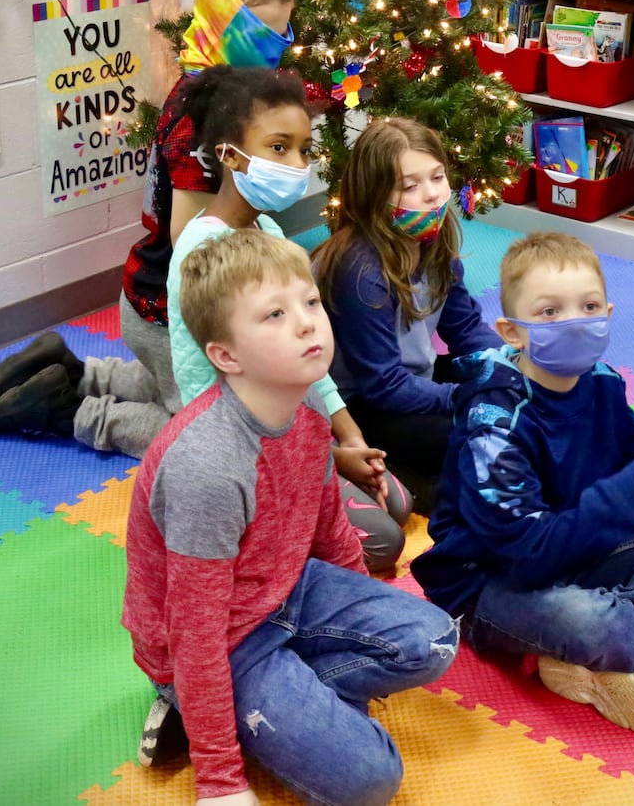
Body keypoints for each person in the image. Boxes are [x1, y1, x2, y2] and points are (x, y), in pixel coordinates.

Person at [123, 229, 457, 806]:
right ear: (226, 356)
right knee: (372, 779)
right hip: (221, 635)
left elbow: (330, 531)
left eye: (309, 303)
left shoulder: (303, 413)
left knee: (434, 640)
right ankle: (194, 703)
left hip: (287, 590)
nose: (307, 323)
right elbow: (196, 632)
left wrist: (358, 608)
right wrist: (220, 783)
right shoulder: (209, 464)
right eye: (274, 315)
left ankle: (270, 700)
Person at [411, 232, 634, 733]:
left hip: (580, 552)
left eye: (587, 307)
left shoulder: (601, 381)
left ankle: (616, 646)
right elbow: (528, 555)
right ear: (511, 332)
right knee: (584, 619)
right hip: (489, 584)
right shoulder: (494, 419)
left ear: (607, 313)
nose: (573, 323)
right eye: (549, 312)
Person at [0, 0, 295, 456]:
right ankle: (70, 412)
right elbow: (190, 240)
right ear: (221, 27)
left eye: (284, 38)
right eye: (264, 39)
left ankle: (77, 372)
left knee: (173, 385)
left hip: (148, 298)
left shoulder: (202, 83)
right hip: (170, 308)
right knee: (206, 434)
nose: (276, 56)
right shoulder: (205, 114)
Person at [168, 66, 412, 572]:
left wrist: (349, 437)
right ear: (230, 156)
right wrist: (325, 459)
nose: (297, 163)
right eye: (279, 147)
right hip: (252, 455)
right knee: (382, 545)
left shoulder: (270, 230)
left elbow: (308, 360)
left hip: (299, 436)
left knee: (400, 504)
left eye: (303, 149)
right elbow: (204, 395)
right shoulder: (204, 253)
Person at [311, 118, 503, 510]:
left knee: (514, 402)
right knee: (474, 431)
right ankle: (404, 474)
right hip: (364, 404)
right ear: (374, 196)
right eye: (410, 187)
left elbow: (465, 328)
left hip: (413, 379)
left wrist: (507, 368)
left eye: (437, 177)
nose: (432, 196)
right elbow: (383, 385)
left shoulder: (432, 240)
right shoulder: (361, 271)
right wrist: (467, 397)